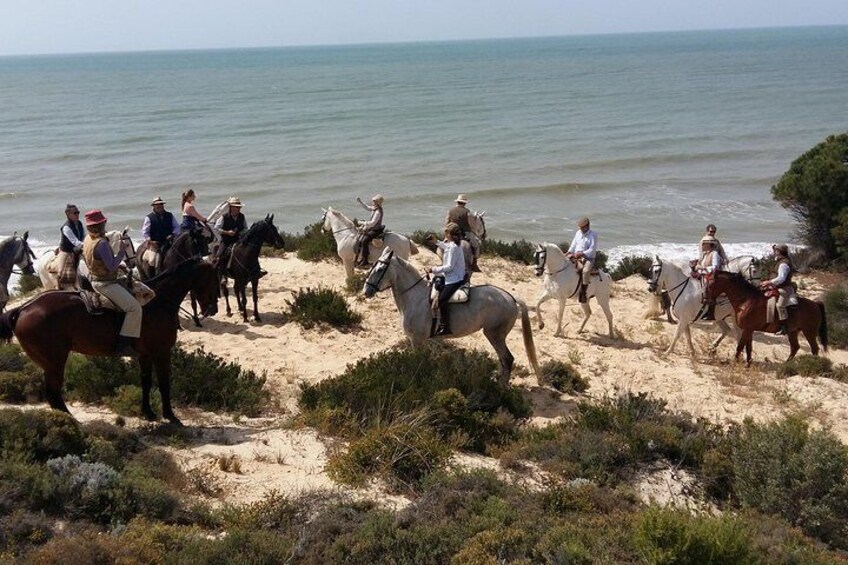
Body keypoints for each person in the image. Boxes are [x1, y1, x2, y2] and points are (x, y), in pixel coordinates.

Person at [81, 209, 141, 357]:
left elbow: (100, 261)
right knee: (135, 308)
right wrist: (121, 251)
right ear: (102, 224)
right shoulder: (102, 243)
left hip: (93, 279)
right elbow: (112, 266)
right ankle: (123, 345)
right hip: (106, 284)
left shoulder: (87, 239)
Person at [426, 223, 467, 336]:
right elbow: (446, 247)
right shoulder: (453, 244)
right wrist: (436, 241)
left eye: (446, 232)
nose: (444, 233)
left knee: (441, 300)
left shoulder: (453, 247)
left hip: (455, 278)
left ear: (449, 234)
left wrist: (433, 269)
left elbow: (449, 267)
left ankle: (445, 326)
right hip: (452, 275)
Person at [760, 244, 796, 335]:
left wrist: (769, 282)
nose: (774, 252)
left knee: (780, 305)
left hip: (784, 289)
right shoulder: (780, 261)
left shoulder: (783, 264)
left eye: (775, 250)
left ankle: (784, 327)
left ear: (779, 252)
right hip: (777, 287)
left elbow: (781, 278)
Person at [141, 196, 180, 273]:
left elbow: (177, 227)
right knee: (152, 260)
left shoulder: (170, 215)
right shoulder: (149, 218)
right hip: (156, 244)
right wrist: (151, 242)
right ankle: (152, 277)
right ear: (154, 206)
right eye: (157, 205)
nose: (159, 206)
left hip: (169, 242)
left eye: (161, 204)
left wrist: (172, 234)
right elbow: (145, 232)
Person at [445, 193, 481, 272]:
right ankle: (474, 263)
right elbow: (471, 224)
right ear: (464, 203)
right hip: (464, 233)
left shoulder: (450, 211)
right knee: (476, 245)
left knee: (444, 242)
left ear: (457, 202)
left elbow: (446, 222)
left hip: (452, 232)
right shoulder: (467, 211)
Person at [566, 217, 597, 303]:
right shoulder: (578, 233)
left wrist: (582, 253)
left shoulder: (593, 235)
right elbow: (573, 245)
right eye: (580, 228)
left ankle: (583, 293)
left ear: (587, 226)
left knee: (586, 271)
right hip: (576, 256)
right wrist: (568, 253)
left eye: (583, 227)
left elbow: (592, 249)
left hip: (588, 258)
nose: (581, 229)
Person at [57, 203, 85, 290]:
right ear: (68, 214)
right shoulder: (66, 227)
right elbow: (75, 242)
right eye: (75, 213)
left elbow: (83, 236)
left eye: (78, 212)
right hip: (67, 250)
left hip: (78, 248)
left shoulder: (79, 223)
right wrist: (86, 245)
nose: (77, 215)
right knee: (61, 271)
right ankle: (59, 286)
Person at [695, 235, 722, 320]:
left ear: (709, 245)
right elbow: (700, 266)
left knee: (709, 289)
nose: (702, 246)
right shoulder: (705, 254)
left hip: (711, 276)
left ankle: (710, 312)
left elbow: (715, 267)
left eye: (704, 244)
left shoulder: (715, 254)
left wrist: (702, 268)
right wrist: (697, 267)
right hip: (703, 275)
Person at [355, 194, 384, 267]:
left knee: (365, 240)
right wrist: (360, 202)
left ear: (377, 202)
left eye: (374, 201)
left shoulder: (378, 212)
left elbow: (372, 223)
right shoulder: (375, 208)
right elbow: (367, 208)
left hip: (376, 230)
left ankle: (365, 261)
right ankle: (359, 258)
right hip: (372, 228)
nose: (372, 202)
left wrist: (361, 222)